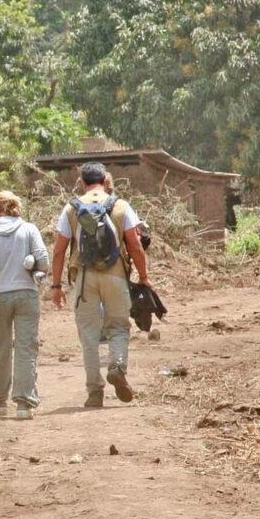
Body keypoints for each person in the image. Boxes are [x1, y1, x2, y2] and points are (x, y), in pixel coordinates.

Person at [50, 161, 153, 408]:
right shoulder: (120, 206)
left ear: (82, 182)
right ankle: (117, 365)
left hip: (84, 278)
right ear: (105, 180)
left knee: (88, 335)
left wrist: (56, 286)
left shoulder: (71, 209)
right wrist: (144, 277)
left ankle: (95, 392)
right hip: (116, 275)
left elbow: (59, 252)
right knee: (118, 326)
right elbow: (135, 246)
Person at [0, 191, 49, 420]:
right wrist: (36, 270)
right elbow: (43, 260)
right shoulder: (28, 229)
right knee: (26, 348)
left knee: (0, 349)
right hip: (26, 293)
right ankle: (23, 404)